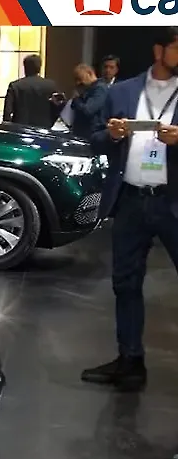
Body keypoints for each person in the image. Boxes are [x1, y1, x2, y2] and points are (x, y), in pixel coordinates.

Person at [82, 27, 178, 393]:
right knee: (125, 283)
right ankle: (130, 361)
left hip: (173, 202)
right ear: (159, 50)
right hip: (132, 200)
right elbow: (95, 139)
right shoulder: (122, 91)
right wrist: (113, 135)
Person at [2, 54, 64, 129]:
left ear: (25, 68)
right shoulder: (51, 85)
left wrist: (8, 128)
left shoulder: (15, 86)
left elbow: (7, 112)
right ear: (39, 68)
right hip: (44, 128)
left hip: (20, 128)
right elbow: (60, 106)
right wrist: (51, 121)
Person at [70, 63, 109, 140]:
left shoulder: (99, 89)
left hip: (91, 134)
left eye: (80, 78)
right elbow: (73, 106)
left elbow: (88, 110)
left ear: (89, 73)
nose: (78, 82)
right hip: (81, 133)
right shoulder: (87, 89)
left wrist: (77, 99)